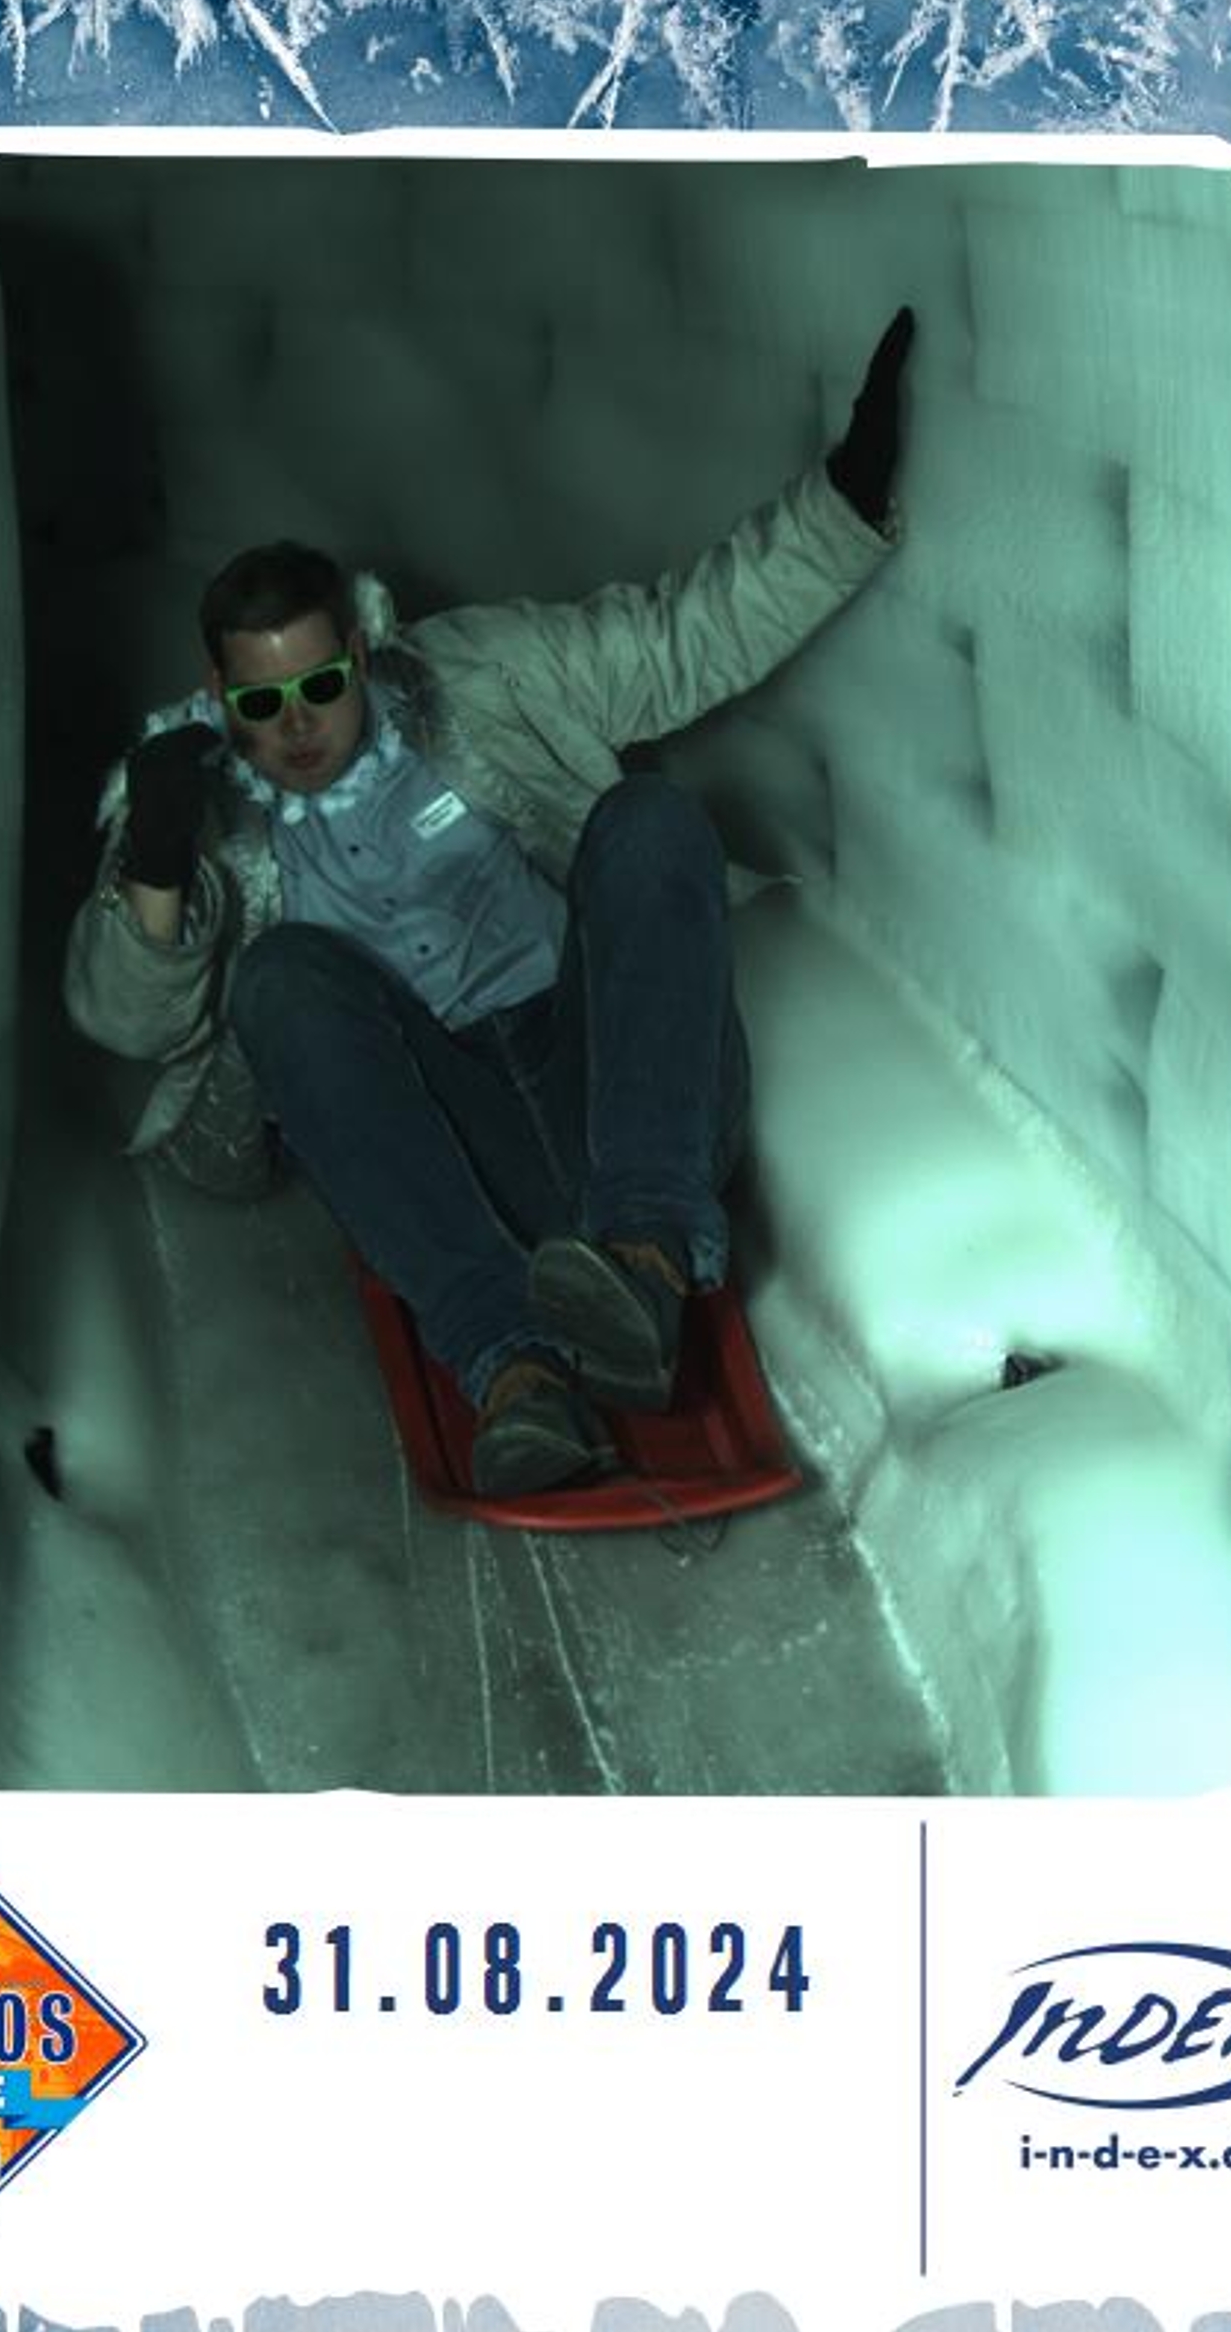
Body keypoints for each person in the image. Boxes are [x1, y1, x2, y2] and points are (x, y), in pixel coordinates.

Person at [65, 311, 914, 1495]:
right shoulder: (193, 804)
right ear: (219, 691)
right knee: (281, 977)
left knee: (649, 821)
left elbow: (678, 639)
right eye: (260, 702)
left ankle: (643, 1266)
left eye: (319, 685)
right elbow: (124, 1021)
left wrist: (841, 505)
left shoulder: (479, 674)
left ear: (358, 650)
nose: (295, 724)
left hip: (618, 1091)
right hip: (451, 1145)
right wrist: (156, 859)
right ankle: (511, 1367)